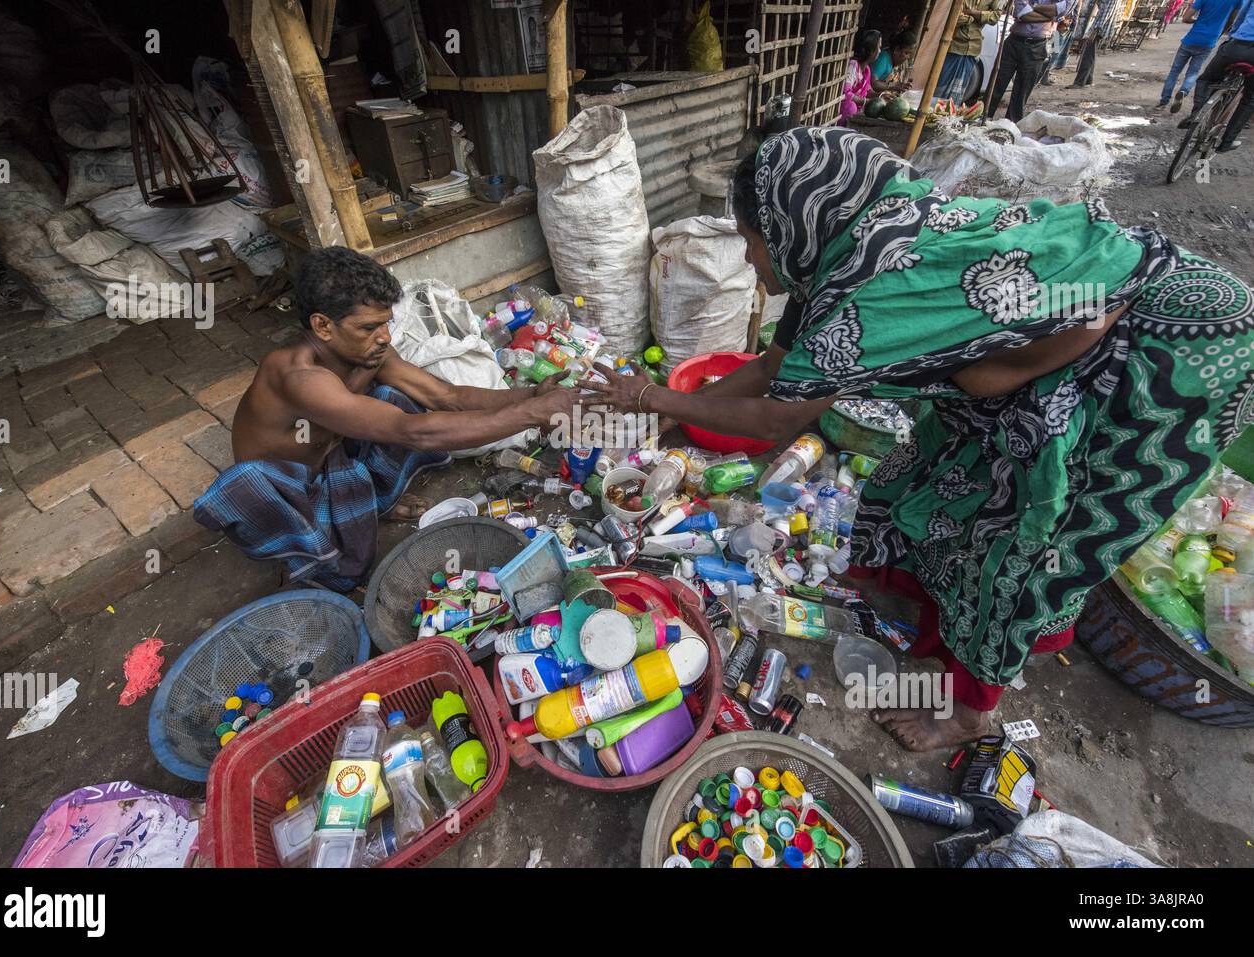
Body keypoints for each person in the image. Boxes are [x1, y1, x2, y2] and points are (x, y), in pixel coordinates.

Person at [587, 127, 1254, 751]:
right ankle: (931, 600)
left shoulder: (871, 296)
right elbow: (766, 370)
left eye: (750, 240)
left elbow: (776, 420)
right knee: (929, 468)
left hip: (1163, 349)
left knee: (1025, 526)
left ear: (789, 226)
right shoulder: (839, 250)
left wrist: (649, 395)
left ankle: (969, 709)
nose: (751, 258)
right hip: (1062, 336)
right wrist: (668, 418)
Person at [194, 246, 581, 591]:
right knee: (344, 573)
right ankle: (303, 556)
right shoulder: (299, 376)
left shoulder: (367, 354)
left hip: (327, 457)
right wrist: (530, 415)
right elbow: (412, 432)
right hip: (285, 488)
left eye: (385, 324)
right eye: (368, 327)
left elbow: (444, 395)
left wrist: (530, 395)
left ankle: (373, 501)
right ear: (322, 326)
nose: (385, 338)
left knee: (393, 397)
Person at [1179, 0, 1254, 151]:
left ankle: (1197, 114)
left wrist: (1232, 37)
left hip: (1237, 45)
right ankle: (1226, 143)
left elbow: (1241, 16)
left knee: (1206, 79)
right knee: (1249, 99)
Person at [987, 0, 1075, 121]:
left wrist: (1033, 7)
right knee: (997, 83)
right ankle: (983, 117)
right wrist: (1050, 16)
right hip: (1013, 42)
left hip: (1038, 46)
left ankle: (1010, 125)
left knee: (1022, 90)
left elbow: (1062, 10)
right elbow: (1022, 13)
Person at [1159, 0, 1238, 112]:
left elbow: (1186, 18)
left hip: (1191, 39)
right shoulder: (1236, 1)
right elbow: (1231, 20)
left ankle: (1164, 100)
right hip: (1209, 41)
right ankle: (1184, 91)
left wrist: (1196, 20)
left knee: (1175, 71)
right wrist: (1219, 32)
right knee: (1193, 72)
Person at [936, 0, 1004, 104]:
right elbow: (953, 16)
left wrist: (971, 13)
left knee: (958, 91)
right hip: (952, 44)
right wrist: (975, 17)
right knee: (940, 86)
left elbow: (994, 17)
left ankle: (948, 115)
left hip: (973, 46)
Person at [1071, 0, 1122, 87]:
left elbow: (1105, 13)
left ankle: (1080, 82)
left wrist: (1095, 30)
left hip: (1099, 27)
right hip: (1100, 26)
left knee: (1088, 54)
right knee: (1090, 53)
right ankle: (1088, 80)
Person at [841, 29, 883, 123]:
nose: (880, 51)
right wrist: (865, 102)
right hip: (844, 109)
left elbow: (868, 91)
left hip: (858, 109)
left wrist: (881, 96)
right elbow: (846, 93)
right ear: (871, 50)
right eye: (879, 47)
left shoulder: (866, 70)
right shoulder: (853, 66)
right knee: (851, 107)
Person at [872, 29, 918, 95]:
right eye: (906, 53)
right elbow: (874, 84)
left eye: (910, 54)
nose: (908, 57)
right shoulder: (883, 58)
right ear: (896, 50)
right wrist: (894, 86)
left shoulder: (893, 61)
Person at [1039, 12, 1078, 84]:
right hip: (1057, 30)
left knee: (1054, 54)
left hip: (1062, 30)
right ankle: (1043, 77)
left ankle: (1044, 76)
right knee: (1052, 54)